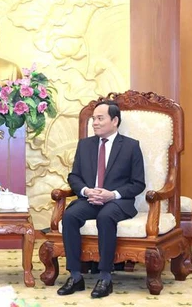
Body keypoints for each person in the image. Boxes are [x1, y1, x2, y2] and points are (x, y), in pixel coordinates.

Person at [58, 100, 146, 299]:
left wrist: (111, 194)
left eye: (100, 118)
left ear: (114, 120)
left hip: (118, 202)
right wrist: (87, 191)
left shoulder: (131, 146)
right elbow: (74, 176)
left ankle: (105, 277)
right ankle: (75, 276)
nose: (95, 123)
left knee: (105, 217)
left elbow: (138, 183)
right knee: (70, 216)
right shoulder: (85, 144)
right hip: (90, 199)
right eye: (93, 119)